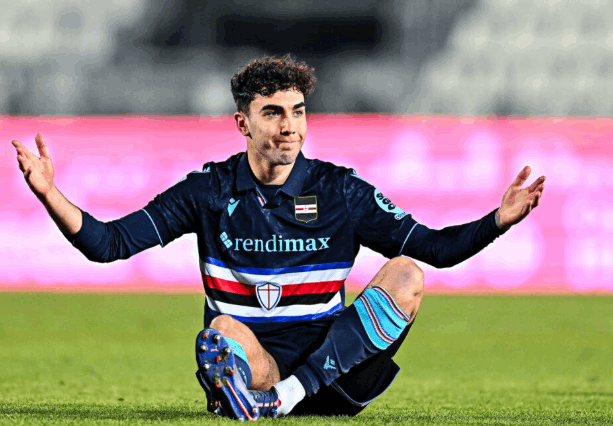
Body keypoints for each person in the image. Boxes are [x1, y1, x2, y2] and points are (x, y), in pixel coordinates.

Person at [12, 54, 545, 421]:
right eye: (273, 113)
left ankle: (286, 397)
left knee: (407, 273)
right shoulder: (208, 191)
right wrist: (49, 194)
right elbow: (108, 244)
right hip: (258, 368)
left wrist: (497, 220)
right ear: (242, 124)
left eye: (298, 111)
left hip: (337, 370)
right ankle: (262, 394)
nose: (290, 126)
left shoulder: (341, 190)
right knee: (220, 332)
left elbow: (436, 249)